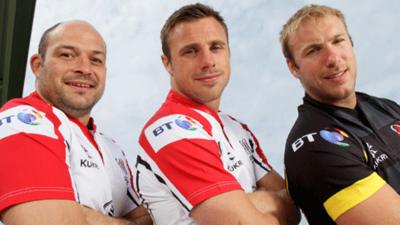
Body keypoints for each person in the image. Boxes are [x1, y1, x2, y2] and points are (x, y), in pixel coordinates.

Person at [135, 3, 300, 225]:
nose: (208, 61)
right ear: (168, 64)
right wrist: (268, 202)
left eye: (216, 47)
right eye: (190, 51)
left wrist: (246, 205)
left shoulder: (236, 128)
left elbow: (294, 208)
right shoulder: (169, 129)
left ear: (229, 53)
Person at [0, 20, 151, 225]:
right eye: (67, 55)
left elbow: (151, 217)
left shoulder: (112, 147)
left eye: (96, 60)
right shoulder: (22, 120)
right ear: (38, 65)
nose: (85, 69)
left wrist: (86, 216)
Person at [281, 4, 400, 225]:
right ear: (293, 67)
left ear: (351, 43)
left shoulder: (386, 108)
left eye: (338, 41)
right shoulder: (313, 146)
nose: (333, 58)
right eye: (313, 50)